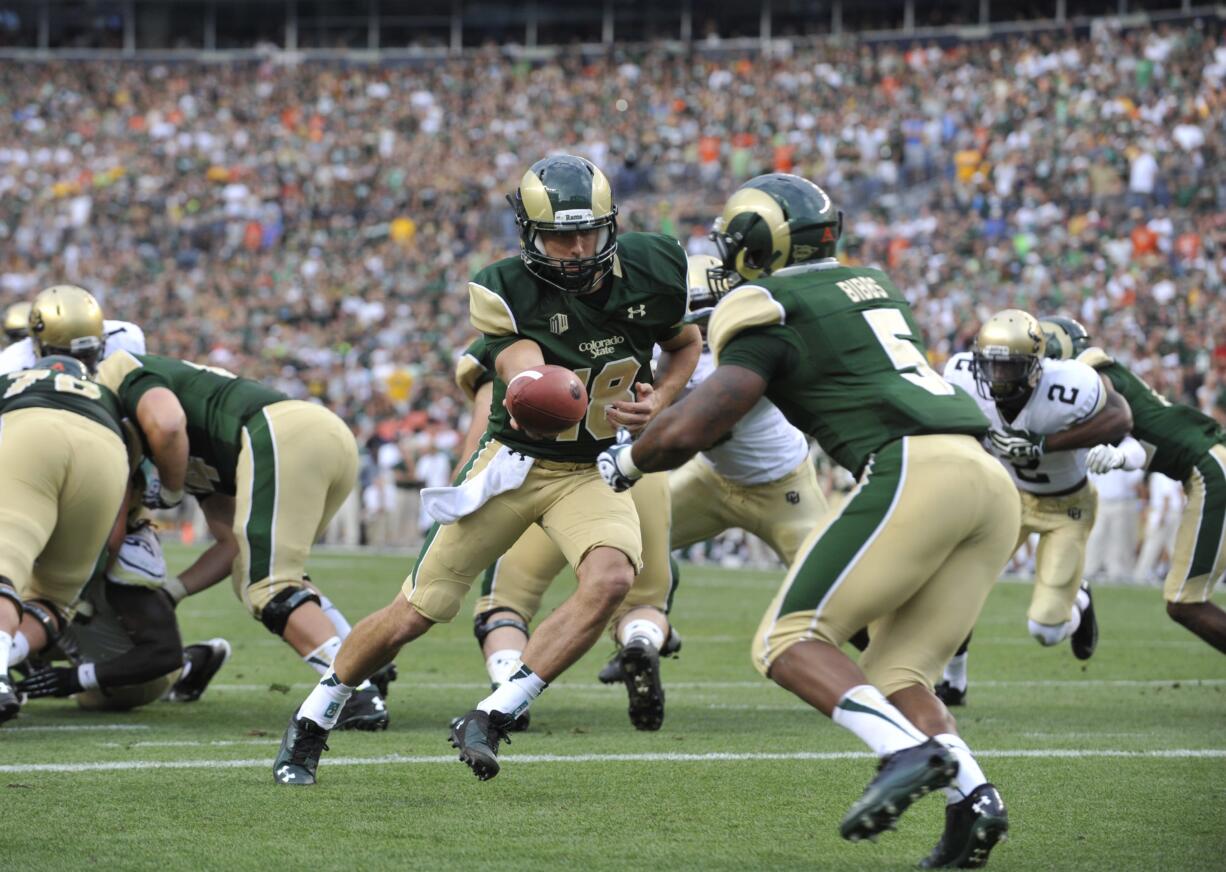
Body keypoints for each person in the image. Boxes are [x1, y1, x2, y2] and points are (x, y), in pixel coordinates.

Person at [598, 173, 1016, 867]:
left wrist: (627, 465)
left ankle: (908, 753)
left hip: (916, 466)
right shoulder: (871, 283)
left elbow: (699, 424)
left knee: (786, 640)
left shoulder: (766, 303)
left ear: (755, 250)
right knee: (898, 671)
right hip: (986, 480)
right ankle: (974, 801)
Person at [273, 154, 700, 786]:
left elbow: (685, 343)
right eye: (559, 235)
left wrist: (660, 398)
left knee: (612, 579)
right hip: (516, 464)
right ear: (529, 235)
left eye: (588, 232)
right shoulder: (505, 287)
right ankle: (313, 719)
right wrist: (535, 385)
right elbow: (522, 372)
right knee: (415, 612)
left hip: (589, 470)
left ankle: (494, 716)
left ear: (611, 224)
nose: (577, 248)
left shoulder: (655, 266)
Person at [94, 350, 389, 728]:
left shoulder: (124, 370)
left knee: (268, 586)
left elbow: (167, 426)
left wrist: (168, 489)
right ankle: (365, 662)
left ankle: (352, 688)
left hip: (281, 433)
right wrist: (173, 592)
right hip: (318, 436)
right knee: (260, 574)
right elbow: (232, 545)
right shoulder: (201, 448)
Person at [454, 333, 678, 733]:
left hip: (553, 477)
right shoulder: (634, 312)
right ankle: (640, 642)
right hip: (637, 467)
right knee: (643, 600)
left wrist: (462, 493)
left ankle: (508, 689)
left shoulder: (520, 321)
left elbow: (483, 427)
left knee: (504, 603)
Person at [935, 310, 1133, 705]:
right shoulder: (960, 374)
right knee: (956, 587)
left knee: (1045, 630)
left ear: (1034, 367)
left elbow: (1120, 419)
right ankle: (953, 682)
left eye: (1007, 368)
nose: (995, 377)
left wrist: (1045, 444)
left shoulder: (1071, 385)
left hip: (1066, 507)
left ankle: (1080, 599)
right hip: (1005, 499)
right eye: (989, 365)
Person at [1043, 316, 1226, 654]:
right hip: (1207, 463)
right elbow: (1140, 444)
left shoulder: (1089, 375)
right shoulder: (1096, 377)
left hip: (1209, 468)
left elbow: (1124, 429)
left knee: (1184, 602)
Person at [0, 356, 130, 724]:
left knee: (6, 562)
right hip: (106, 451)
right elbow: (120, 517)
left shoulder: (13, 380)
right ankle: (4, 666)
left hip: (30, 431)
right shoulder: (108, 396)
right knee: (56, 600)